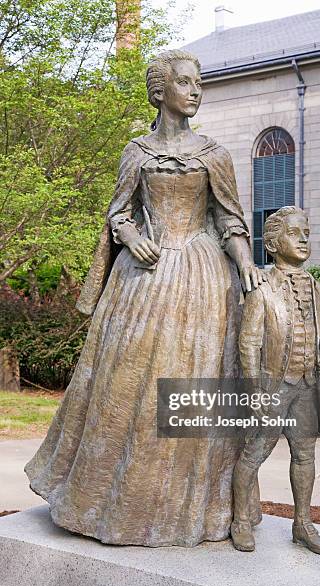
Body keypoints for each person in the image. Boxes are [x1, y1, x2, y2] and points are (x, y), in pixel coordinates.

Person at [25, 50, 263, 547]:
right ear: (160, 92)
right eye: (184, 83)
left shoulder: (214, 154)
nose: (195, 91)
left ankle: (197, 508)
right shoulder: (136, 152)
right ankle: (108, 501)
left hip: (202, 280)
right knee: (123, 381)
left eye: (199, 82)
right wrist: (130, 237)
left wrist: (245, 264)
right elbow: (119, 213)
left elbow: (230, 220)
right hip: (143, 279)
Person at [232, 206, 320, 553]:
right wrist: (256, 394)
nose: (304, 238)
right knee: (254, 454)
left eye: (306, 231)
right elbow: (248, 343)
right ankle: (241, 520)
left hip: (306, 388)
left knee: (305, 455)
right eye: (294, 233)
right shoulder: (261, 289)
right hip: (273, 387)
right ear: (274, 243)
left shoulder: (317, 288)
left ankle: (303, 523)